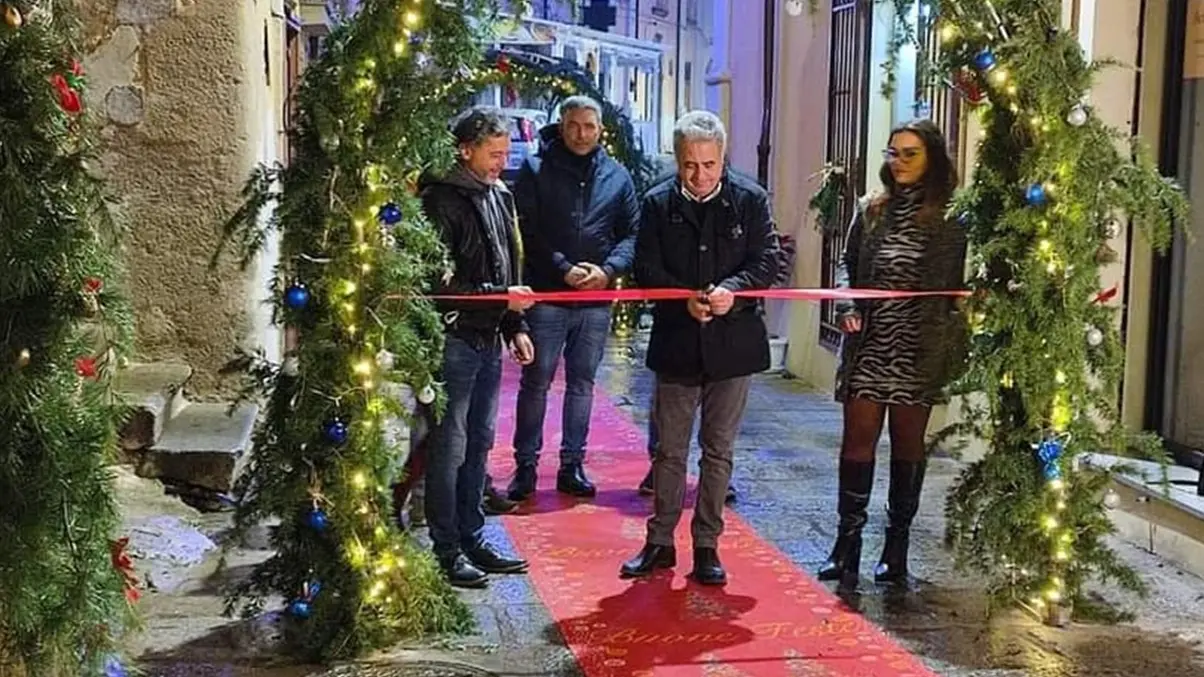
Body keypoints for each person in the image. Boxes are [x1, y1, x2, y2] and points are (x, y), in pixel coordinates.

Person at [619, 111, 778, 585]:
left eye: (709, 164)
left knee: (718, 450)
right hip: (678, 342)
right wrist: (683, 298)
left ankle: (707, 545)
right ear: (677, 159)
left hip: (733, 345)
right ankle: (660, 541)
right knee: (669, 450)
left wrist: (734, 290)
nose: (700, 175)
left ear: (723, 158)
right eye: (690, 165)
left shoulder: (750, 199)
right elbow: (645, 266)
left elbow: (767, 261)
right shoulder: (656, 203)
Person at [816, 118, 967, 587]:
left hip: (918, 348)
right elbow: (846, 264)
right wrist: (846, 305)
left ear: (931, 158)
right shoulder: (872, 210)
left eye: (909, 154)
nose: (898, 162)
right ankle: (847, 544)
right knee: (857, 440)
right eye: (892, 152)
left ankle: (896, 546)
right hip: (871, 344)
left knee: (907, 444)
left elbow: (962, 281)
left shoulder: (952, 219)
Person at [418, 107, 537, 588]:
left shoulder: (499, 194)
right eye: (494, 154)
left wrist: (515, 324)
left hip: (488, 336)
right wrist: (501, 298)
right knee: (450, 446)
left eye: (506, 154)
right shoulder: (440, 200)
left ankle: (472, 536)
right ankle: (446, 548)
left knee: (480, 443)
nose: (502, 163)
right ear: (465, 150)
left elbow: (510, 261)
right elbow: (438, 283)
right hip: (456, 338)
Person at [506, 96, 640, 502]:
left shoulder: (617, 177)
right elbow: (526, 230)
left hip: (595, 302)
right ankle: (525, 466)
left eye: (589, 126)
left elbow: (631, 234)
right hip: (548, 295)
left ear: (601, 129)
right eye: (573, 126)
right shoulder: (536, 169)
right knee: (537, 382)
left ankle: (572, 464)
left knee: (582, 384)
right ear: (561, 127)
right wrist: (562, 267)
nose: (581, 134)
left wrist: (609, 270)